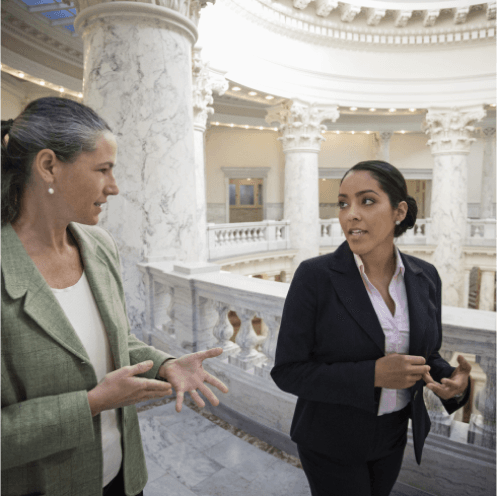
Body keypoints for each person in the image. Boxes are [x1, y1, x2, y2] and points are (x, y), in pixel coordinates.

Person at [0, 97, 229, 496]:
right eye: (103, 169)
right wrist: (92, 402)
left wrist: (165, 364)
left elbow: (114, 340)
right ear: (49, 165)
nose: (114, 186)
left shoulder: (97, 244)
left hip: (122, 478)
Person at [271, 160, 472, 496]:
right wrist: (373, 375)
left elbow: (424, 353)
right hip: (330, 440)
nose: (351, 213)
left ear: (399, 211)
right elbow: (289, 372)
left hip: (393, 436)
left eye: (366, 201)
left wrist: (452, 382)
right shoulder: (315, 277)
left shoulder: (425, 277)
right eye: (343, 203)